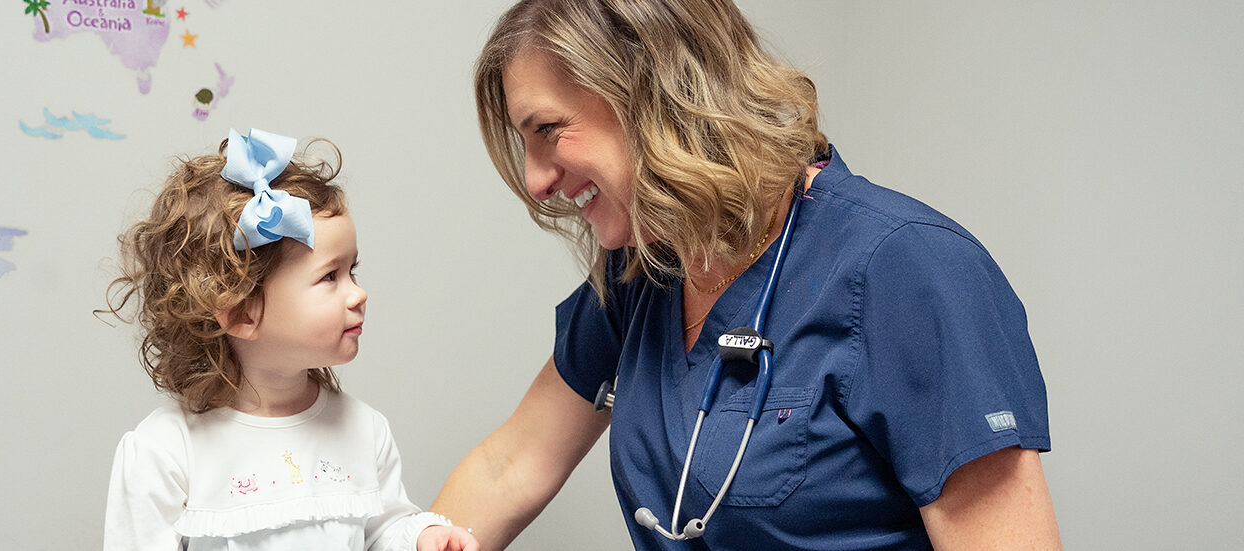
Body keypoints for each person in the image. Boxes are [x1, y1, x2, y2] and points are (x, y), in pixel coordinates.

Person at [432, 0, 1060, 549]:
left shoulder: (908, 269)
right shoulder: (646, 269)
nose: (537, 181)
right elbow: (509, 467)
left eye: (548, 131)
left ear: (650, 89)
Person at [101, 128, 479, 551]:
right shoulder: (166, 451)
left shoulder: (363, 430)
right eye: (329, 277)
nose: (358, 293)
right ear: (243, 313)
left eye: (352, 271)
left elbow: (383, 528)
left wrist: (422, 538)